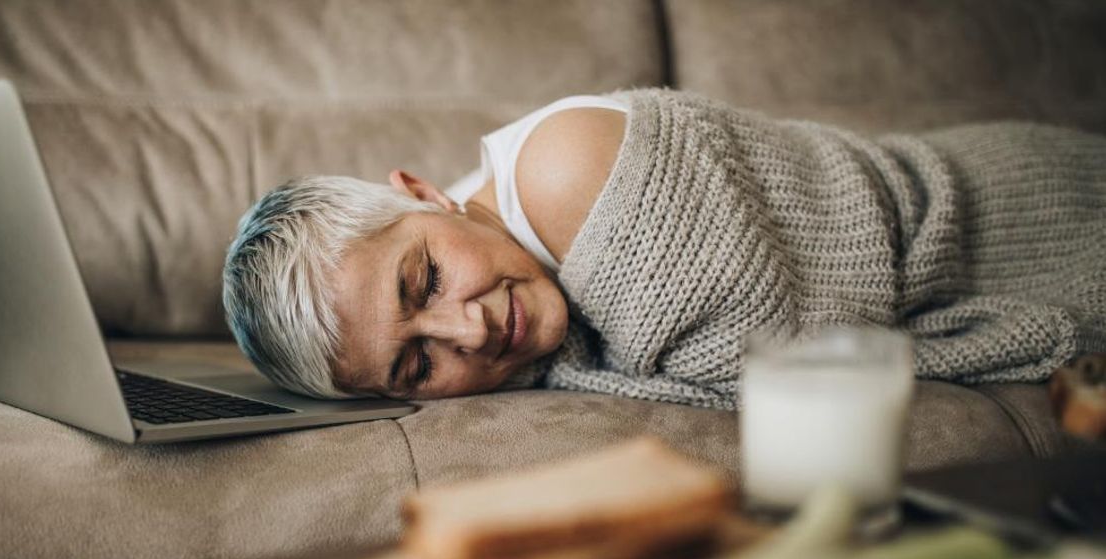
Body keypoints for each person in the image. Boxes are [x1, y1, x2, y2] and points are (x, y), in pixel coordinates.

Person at [222, 88, 1106, 407]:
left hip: (1034, 219)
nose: (469, 330)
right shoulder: (501, 255)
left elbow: (778, 374)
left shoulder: (570, 168)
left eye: (426, 278)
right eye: (416, 367)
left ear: (420, 192)